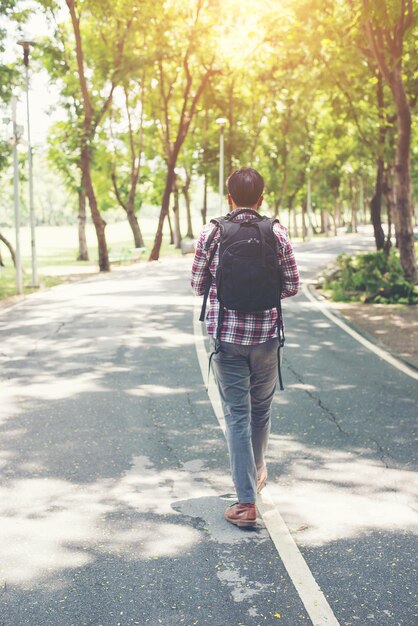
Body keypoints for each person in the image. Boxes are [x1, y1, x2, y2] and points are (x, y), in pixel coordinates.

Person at [191, 167, 299, 528]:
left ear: (229, 198)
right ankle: (257, 471)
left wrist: (227, 294)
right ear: (262, 197)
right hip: (267, 337)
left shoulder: (213, 232)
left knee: (237, 415)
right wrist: (263, 297)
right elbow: (292, 285)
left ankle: (246, 502)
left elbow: (196, 284)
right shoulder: (276, 232)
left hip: (226, 337)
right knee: (261, 410)